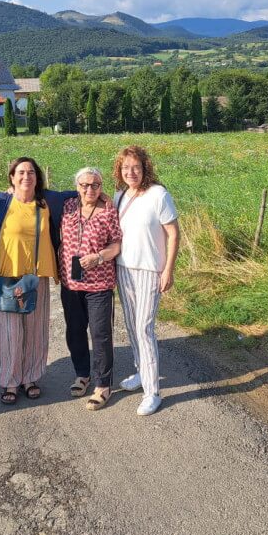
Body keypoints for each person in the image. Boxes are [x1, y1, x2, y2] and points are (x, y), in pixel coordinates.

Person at [0, 158, 76, 405]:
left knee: (36, 331)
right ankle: (10, 381)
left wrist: (102, 195)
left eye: (31, 172)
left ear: (37, 177)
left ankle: (30, 378)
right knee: (9, 334)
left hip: (37, 276)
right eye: (20, 172)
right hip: (7, 276)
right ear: (12, 177)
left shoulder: (47, 200)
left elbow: (75, 194)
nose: (26, 177)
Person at [112, 146, 179, 416]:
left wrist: (168, 270)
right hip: (123, 269)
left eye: (136, 167)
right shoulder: (119, 196)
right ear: (119, 170)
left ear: (145, 168)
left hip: (150, 270)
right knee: (131, 326)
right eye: (125, 168)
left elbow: (173, 234)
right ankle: (142, 372)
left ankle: (152, 393)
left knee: (144, 328)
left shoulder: (158, 194)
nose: (131, 172)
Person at [57, 167, 122, 411]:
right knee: (75, 331)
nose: (90, 189)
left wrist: (99, 257)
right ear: (77, 187)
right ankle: (82, 374)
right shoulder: (67, 206)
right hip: (71, 283)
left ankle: (103, 384)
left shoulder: (108, 210)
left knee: (100, 334)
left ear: (101, 187)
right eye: (84, 185)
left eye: (95, 185)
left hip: (99, 284)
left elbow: (117, 244)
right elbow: (42, 195)